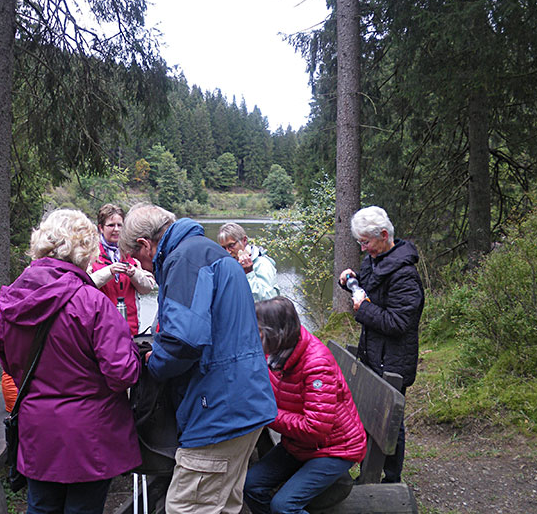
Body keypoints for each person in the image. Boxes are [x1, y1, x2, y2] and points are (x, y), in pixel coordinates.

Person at [119, 204, 277, 514]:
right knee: (226, 505)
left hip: (219, 411)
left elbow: (183, 341)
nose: (145, 268)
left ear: (145, 244)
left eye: (140, 259)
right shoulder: (208, 252)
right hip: (244, 401)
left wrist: (153, 362)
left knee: (186, 507)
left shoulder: (185, 259)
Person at [0, 209, 142, 514]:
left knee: (41, 508)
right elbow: (122, 374)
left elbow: (10, 363)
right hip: (89, 434)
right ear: (84, 249)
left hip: (38, 429)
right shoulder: (92, 302)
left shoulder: (13, 300)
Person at [243, 297, 366, 514]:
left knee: (284, 506)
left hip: (334, 449)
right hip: (299, 445)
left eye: (258, 330)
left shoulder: (316, 365)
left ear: (276, 332)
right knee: (250, 485)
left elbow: (316, 428)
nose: (254, 335)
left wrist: (267, 413)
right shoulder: (276, 355)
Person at [338, 206, 424, 484]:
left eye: (366, 242)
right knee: (368, 415)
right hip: (374, 353)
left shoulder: (405, 274)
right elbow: (372, 293)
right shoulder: (376, 259)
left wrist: (362, 308)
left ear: (384, 235)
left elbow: (399, 322)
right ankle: (369, 470)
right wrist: (351, 284)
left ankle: (391, 479)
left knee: (391, 421)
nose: (363, 249)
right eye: (360, 242)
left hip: (394, 361)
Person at [89, 203, 156, 335]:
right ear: (101, 228)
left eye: (120, 225)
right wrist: (110, 271)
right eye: (111, 225)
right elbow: (85, 285)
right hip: (100, 328)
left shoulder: (132, 252)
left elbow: (147, 288)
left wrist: (134, 274)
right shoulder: (90, 254)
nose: (116, 229)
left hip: (130, 327)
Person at [218, 222, 280, 302]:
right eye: (223, 248)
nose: (228, 252)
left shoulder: (262, 263)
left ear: (244, 240)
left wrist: (249, 273)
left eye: (231, 245)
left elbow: (268, 301)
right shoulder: (228, 265)